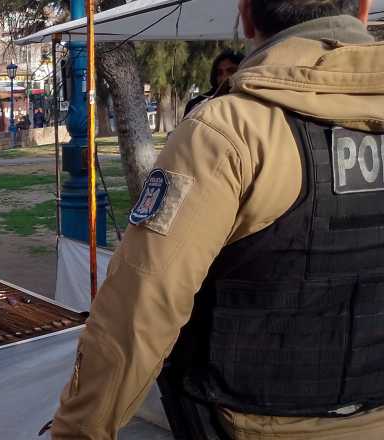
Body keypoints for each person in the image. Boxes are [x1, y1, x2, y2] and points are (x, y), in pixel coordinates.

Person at [46, 1, 384, 439]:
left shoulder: (228, 131)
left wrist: (77, 430)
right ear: (363, 10)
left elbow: (141, 308)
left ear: (246, 16)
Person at [183, 49, 245, 117]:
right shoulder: (196, 105)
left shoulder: (249, 102)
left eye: (231, 71)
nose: (224, 77)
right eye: (219, 73)